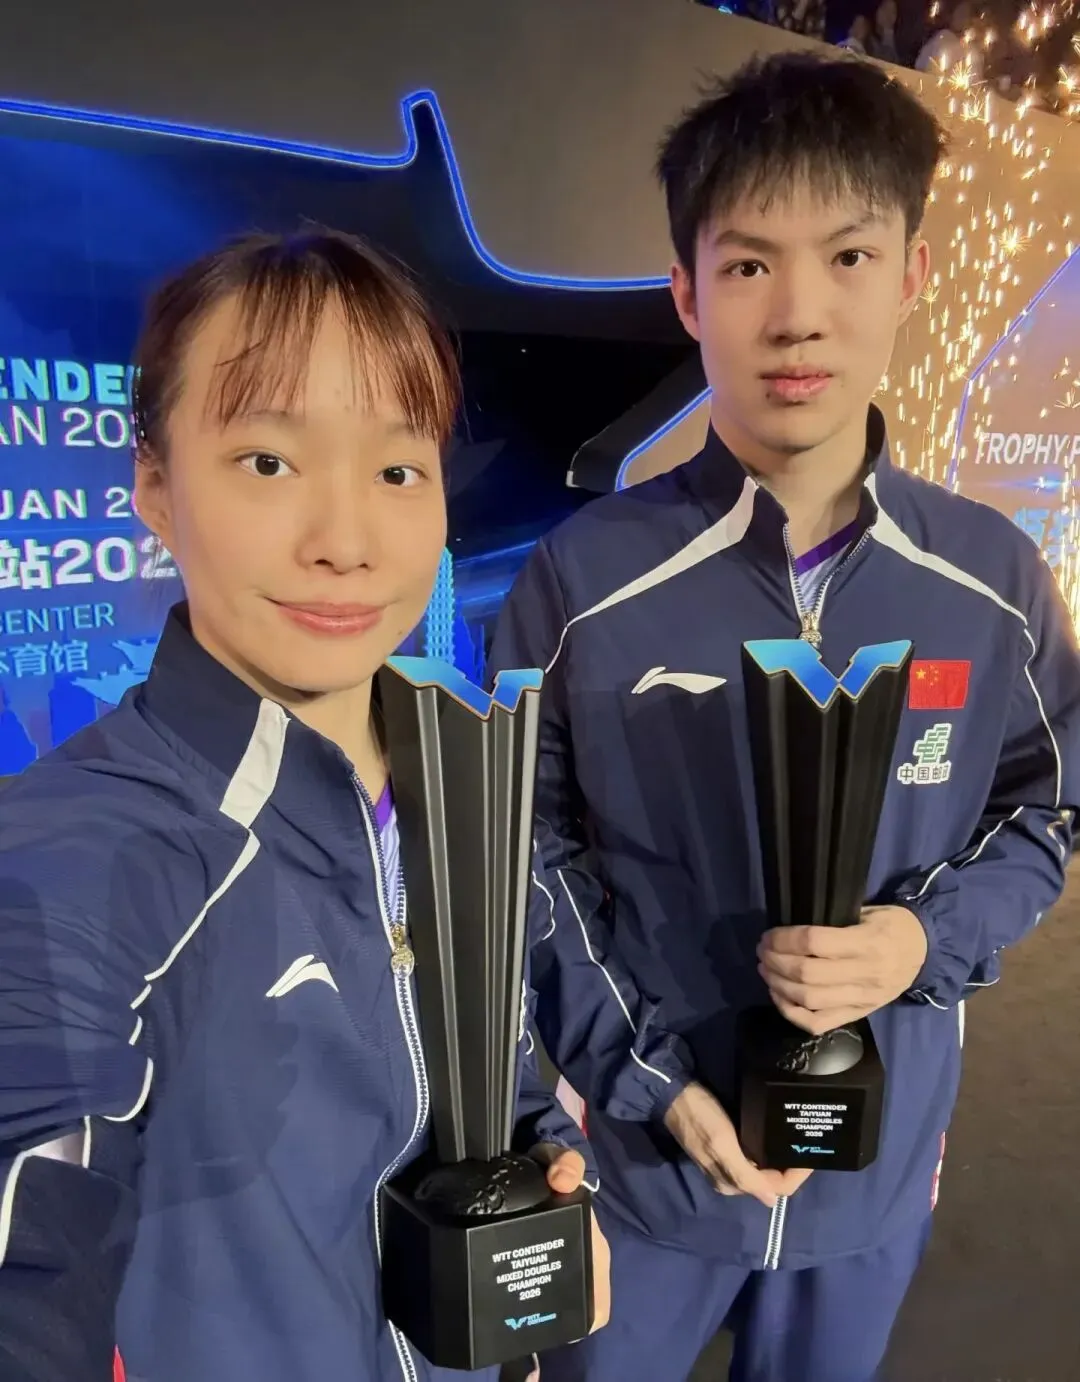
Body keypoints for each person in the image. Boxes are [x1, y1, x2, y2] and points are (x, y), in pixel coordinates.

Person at [489, 52, 1080, 1382]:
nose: (799, 315)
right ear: (687, 292)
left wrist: (921, 937)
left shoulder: (990, 579)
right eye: (750, 264)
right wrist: (646, 1082)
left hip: (873, 1174)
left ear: (913, 275)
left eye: (848, 257)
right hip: (647, 1163)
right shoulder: (582, 582)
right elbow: (521, 853)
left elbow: (1048, 806)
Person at [0, 229, 614, 1382]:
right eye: (269, 461)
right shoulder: (76, 851)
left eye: (397, 470)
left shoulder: (462, 773)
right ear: (154, 486)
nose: (346, 543)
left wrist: (536, 1152)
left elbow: (493, 1050)